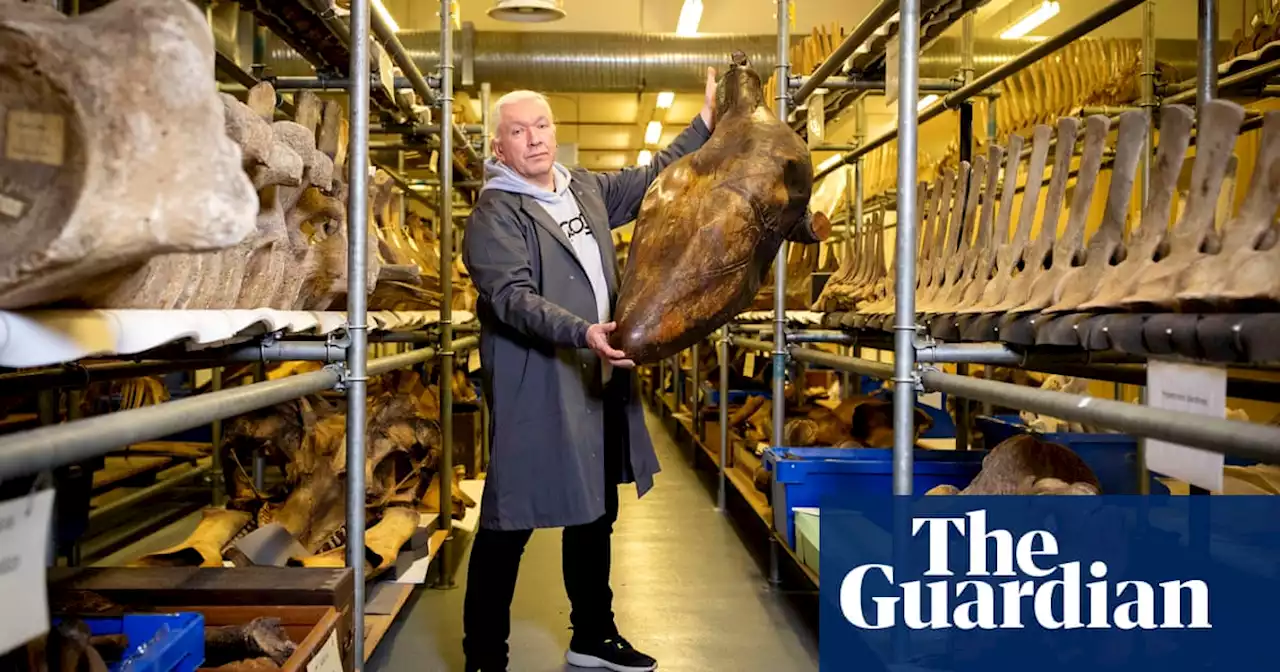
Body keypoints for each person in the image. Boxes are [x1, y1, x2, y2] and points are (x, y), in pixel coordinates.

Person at [460, 69, 718, 672]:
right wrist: (582, 332)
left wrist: (705, 123)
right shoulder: (496, 215)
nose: (533, 139)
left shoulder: (585, 190)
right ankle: (483, 657)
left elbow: (656, 175)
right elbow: (510, 297)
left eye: (542, 125)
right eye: (518, 131)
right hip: (538, 384)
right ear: (499, 147)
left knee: (597, 510)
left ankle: (592, 635)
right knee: (510, 521)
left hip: (598, 381)